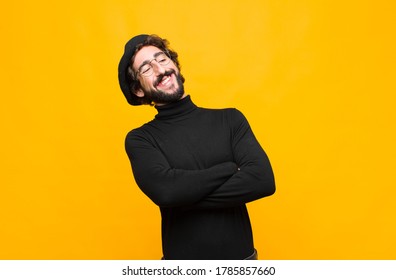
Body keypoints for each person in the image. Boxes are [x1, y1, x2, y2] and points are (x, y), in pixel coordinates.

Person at [118, 34, 275, 260]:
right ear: (138, 90)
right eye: (146, 68)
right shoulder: (141, 139)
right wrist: (229, 168)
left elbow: (262, 181)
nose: (160, 70)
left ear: (174, 65)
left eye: (162, 59)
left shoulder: (230, 120)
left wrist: (185, 199)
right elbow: (167, 191)